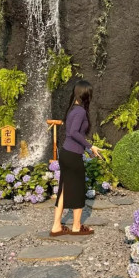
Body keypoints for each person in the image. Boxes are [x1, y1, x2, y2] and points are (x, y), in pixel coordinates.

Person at [50, 80, 103, 236]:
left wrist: (87, 151)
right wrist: (90, 146)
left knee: (64, 190)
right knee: (79, 190)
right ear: (86, 94)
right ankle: (76, 226)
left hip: (66, 153)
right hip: (72, 156)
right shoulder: (80, 111)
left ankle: (56, 226)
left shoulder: (73, 109)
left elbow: (72, 136)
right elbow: (74, 133)